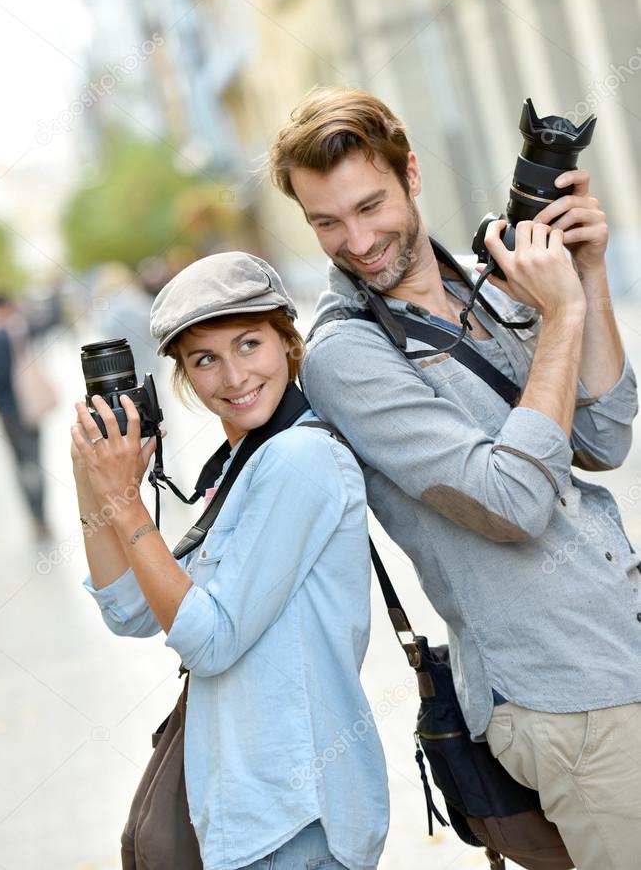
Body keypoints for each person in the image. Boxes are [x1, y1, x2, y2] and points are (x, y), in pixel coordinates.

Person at [268, 87, 641, 870]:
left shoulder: (487, 286)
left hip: (621, 644)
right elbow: (509, 502)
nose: (357, 240)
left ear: (411, 173)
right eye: (326, 221)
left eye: (370, 205)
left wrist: (588, 273)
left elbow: (602, 436)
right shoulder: (348, 354)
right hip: (564, 698)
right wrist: (561, 319)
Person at [72, 251, 389, 870]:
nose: (233, 376)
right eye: (205, 360)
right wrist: (94, 479)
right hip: (243, 815)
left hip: (297, 817)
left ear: (287, 343)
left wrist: (126, 502)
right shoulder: (241, 465)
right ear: (185, 378)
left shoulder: (301, 460)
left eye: (249, 344)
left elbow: (209, 640)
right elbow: (132, 610)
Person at [0, 294, 51, 537]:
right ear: (7, 306)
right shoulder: (19, 333)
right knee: (35, 459)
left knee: (20, 463)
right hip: (30, 406)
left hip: (5, 412)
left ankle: (34, 517)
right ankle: (42, 513)